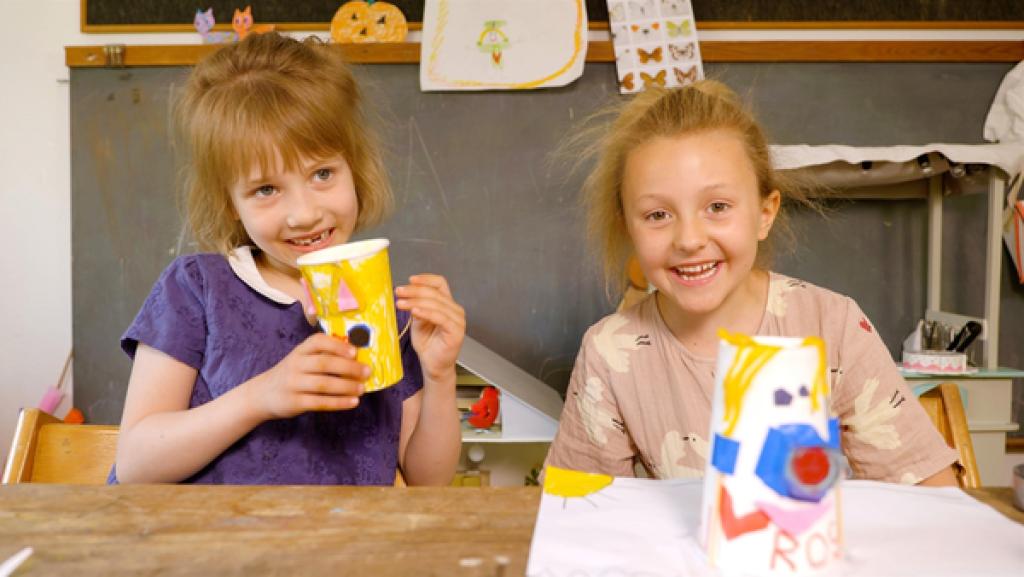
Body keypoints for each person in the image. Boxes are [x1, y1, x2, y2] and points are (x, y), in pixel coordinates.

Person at [545, 81, 958, 486]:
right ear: (628, 227)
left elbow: (934, 496)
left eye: (718, 207)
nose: (689, 240)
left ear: (765, 213)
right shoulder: (609, 353)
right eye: (657, 215)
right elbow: (575, 513)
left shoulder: (832, 325)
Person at [110, 33, 464, 485]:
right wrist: (263, 396)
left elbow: (427, 481)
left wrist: (440, 376)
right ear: (229, 204)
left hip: (343, 549)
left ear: (354, 169)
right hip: (214, 548)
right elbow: (136, 466)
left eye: (322, 174)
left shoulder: (386, 311)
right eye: (266, 189)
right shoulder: (196, 289)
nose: (304, 213)